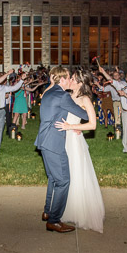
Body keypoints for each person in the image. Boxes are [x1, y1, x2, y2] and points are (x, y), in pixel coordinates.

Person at [35, 66, 88, 233]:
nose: (69, 81)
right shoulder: (63, 95)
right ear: (63, 79)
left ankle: (47, 212)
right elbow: (84, 115)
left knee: (53, 178)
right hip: (54, 143)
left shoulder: (48, 92)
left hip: (44, 141)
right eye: (68, 78)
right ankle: (54, 220)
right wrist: (85, 106)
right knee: (63, 181)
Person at [55, 68, 105, 233]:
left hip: (74, 141)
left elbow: (92, 124)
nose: (69, 80)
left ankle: (79, 212)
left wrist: (73, 127)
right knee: (64, 175)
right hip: (62, 139)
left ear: (79, 83)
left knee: (75, 173)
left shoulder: (85, 99)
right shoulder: (66, 96)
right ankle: (64, 209)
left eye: (72, 78)